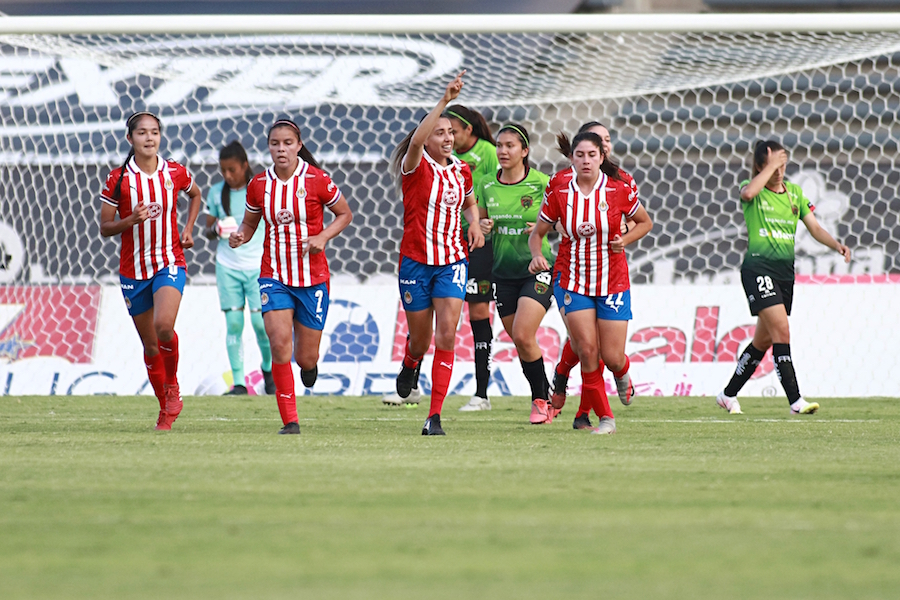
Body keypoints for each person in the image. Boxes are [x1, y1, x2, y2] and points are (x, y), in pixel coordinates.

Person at [229, 119, 353, 434]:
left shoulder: (317, 179)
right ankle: (290, 421)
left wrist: (322, 237)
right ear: (268, 147)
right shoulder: (258, 184)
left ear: (298, 145)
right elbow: (249, 224)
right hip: (274, 276)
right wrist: (240, 236)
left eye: (287, 143)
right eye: (275, 143)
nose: (281, 149)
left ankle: (309, 367)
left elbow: (345, 214)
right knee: (279, 343)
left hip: (312, 278)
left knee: (304, 357)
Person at [529, 131, 652, 434]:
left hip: (612, 280)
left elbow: (645, 223)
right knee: (586, 349)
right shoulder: (559, 188)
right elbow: (538, 232)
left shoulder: (618, 189)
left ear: (602, 157)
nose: (585, 160)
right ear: (571, 157)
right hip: (573, 280)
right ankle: (605, 418)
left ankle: (622, 373)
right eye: (580, 155)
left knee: (611, 356)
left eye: (592, 155)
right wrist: (535, 254)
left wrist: (624, 239)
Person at [716, 141, 850, 416]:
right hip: (757, 269)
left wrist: (836, 245)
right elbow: (749, 192)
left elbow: (814, 227)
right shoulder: (753, 190)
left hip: (784, 275)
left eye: (783, 165)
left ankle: (727, 394)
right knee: (782, 332)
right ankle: (795, 401)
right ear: (759, 167)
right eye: (773, 165)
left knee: (762, 343)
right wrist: (770, 166)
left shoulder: (795, 195)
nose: (779, 171)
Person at [382, 104, 498, 410]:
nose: (448, 138)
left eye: (450, 133)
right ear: (426, 138)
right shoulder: (416, 165)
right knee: (420, 341)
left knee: (447, 335)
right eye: (440, 133)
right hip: (415, 263)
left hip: (452, 262)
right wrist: (444, 100)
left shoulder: (461, 170)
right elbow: (416, 142)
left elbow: (470, 202)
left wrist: (474, 222)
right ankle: (410, 363)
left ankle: (434, 416)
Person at [99, 111, 202, 431]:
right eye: (142, 133)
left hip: (170, 261)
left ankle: (172, 387)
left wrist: (188, 229)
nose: (149, 138)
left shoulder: (174, 171)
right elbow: (105, 227)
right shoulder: (119, 179)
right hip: (133, 271)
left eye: (154, 132)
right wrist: (131, 220)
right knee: (150, 345)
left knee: (163, 326)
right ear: (130, 139)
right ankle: (165, 409)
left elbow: (196, 194)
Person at [476, 124, 554, 423]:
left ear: (525, 151)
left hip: (537, 268)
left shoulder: (541, 183)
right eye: (499, 145)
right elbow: (481, 222)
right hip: (502, 273)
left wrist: (542, 228)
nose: (503, 151)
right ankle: (547, 391)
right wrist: (482, 227)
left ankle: (539, 400)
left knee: (522, 333)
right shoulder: (486, 184)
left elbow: (561, 222)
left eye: (510, 146)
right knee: (521, 341)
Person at [203, 141, 275, 396]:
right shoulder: (215, 193)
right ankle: (239, 383)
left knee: (260, 324)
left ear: (245, 165)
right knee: (234, 324)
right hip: (228, 267)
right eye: (223, 170)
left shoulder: (261, 189)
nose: (228, 175)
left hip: (258, 266)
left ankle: (268, 371)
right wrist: (217, 229)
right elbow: (208, 229)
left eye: (232, 169)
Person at [447, 105, 499, 412]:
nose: (449, 136)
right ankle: (410, 386)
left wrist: (487, 220)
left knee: (478, 313)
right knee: (425, 311)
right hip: (443, 242)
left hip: (479, 244)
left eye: (454, 130)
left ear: (470, 130)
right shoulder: (442, 155)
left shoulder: (489, 153)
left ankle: (481, 394)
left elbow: (501, 190)